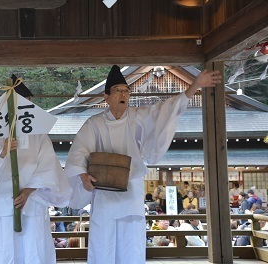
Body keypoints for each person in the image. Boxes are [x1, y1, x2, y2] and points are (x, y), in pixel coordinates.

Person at [65, 65, 221, 264]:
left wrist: (194, 86)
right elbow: (78, 152)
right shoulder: (94, 124)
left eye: (126, 90)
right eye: (117, 91)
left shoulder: (138, 117)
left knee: (131, 245)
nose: (123, 94)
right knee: (103, 244)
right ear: (106, 97)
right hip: (104, 194)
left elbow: (167, 109)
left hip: (131, 191)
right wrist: (82, 175)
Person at [0, 74, 72, 264]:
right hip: (3, 202)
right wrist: (1, 151)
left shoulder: (38, 133)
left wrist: (28, 190)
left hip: (33, 202)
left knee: (34, 251)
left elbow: (48, 167)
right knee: (5, 253)